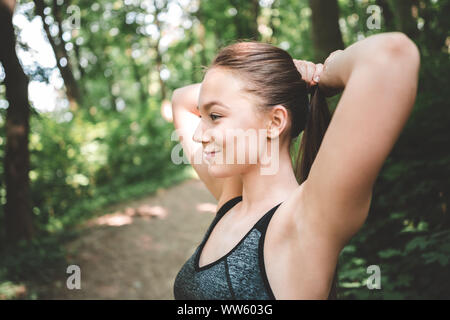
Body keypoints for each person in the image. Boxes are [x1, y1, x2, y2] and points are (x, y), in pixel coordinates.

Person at [171, 32, 420, 300]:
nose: (198, 135)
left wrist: (325, 73)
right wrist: (284, 82)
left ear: (275, 122)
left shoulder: (304, 221)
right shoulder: (231, 201)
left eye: (215, 116)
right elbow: (180, 100)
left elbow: (392, 53)